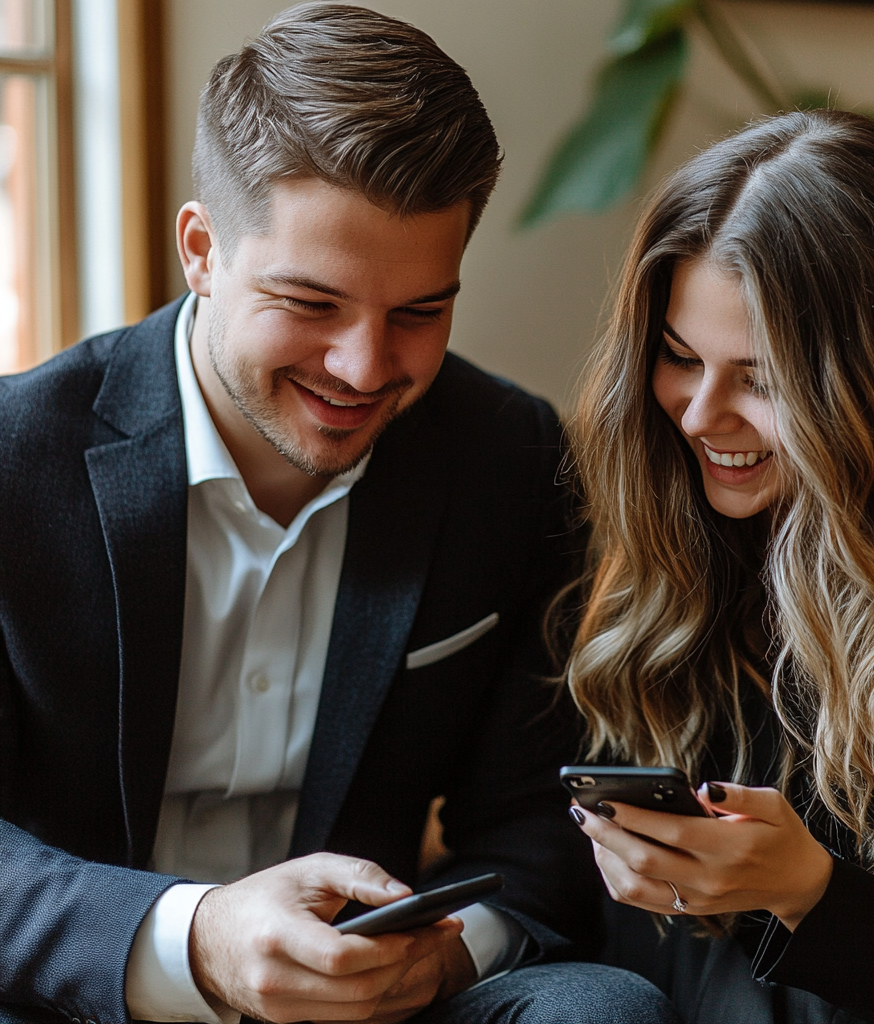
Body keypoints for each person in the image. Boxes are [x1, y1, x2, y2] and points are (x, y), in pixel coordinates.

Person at [0, 6, 679, 1024]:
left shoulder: (510, 457)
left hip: (380, 1007)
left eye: (419, 312)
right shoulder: (17, 458)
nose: (365, 369)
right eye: (310, 303)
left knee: (603, 1009)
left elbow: (540, 817)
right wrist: (193, 939)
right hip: (79, 995)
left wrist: (442, 962)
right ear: (200, 249)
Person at [564, 108, 874, 1023]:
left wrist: (816, 897)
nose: (698, 415)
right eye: (677, 358)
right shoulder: (674, 529)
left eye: (762, 379)